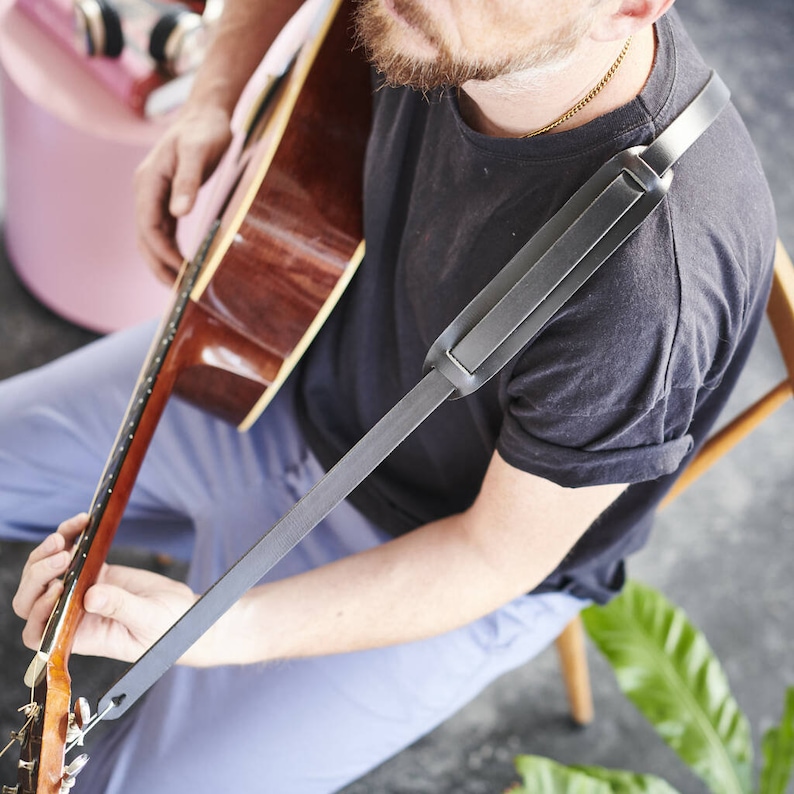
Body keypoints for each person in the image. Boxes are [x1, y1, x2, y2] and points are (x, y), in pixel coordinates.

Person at [3, 0, 777, 791]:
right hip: (284, 359)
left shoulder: (650, 286)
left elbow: (492, 556)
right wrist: (212, 101)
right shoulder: (441, 22)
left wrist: (217, 628)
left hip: (435, 550)